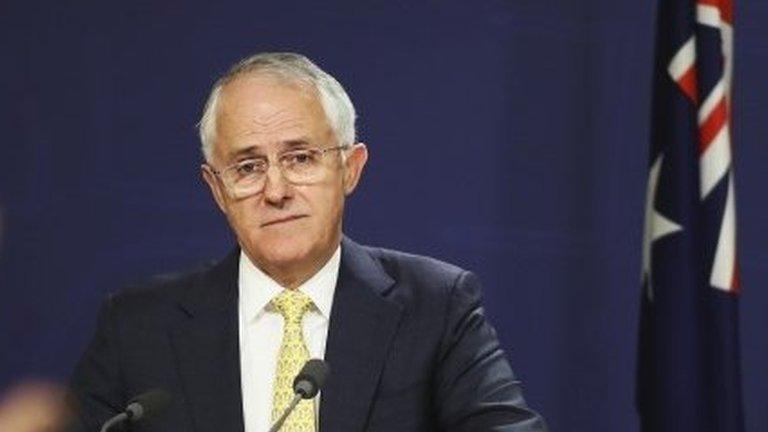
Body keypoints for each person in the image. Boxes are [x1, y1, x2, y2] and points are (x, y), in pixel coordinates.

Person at [70, 52, 547, 432]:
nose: (276, 192)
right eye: (248, 167)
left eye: (300, 158)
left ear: (350, 168)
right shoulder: (137, 328)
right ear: (216, 189)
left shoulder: (436, 307)